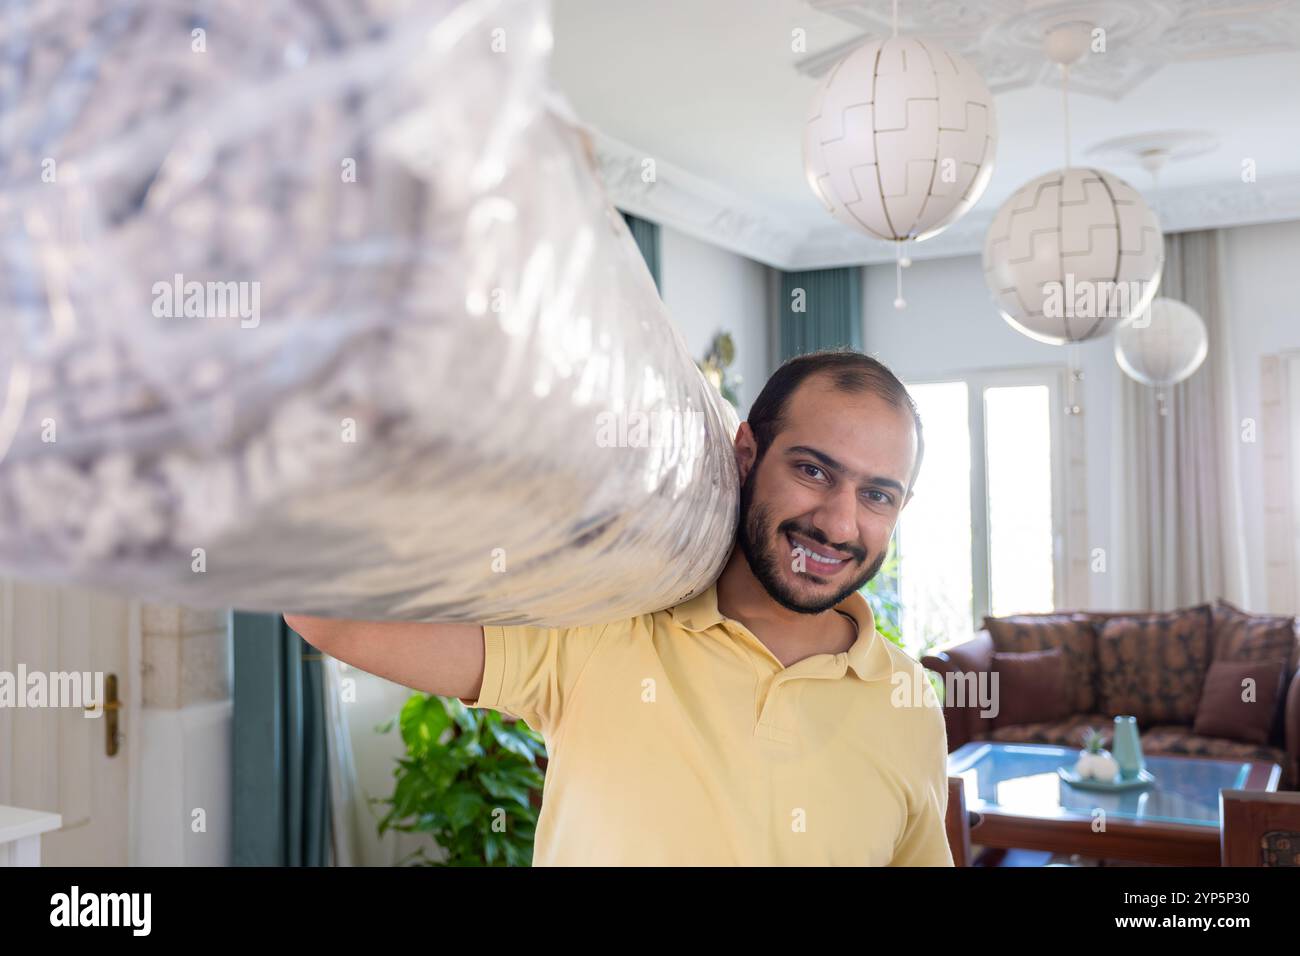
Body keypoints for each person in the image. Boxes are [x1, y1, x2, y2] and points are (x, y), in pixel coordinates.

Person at [286, 348, 953, 865]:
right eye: (813, 471)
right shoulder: (607, 628)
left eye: (878, 495)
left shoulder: (906, 698)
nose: (839, 523)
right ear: (745, 455)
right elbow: (322, 610)